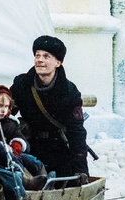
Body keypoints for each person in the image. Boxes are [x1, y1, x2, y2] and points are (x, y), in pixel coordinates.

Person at [11, 35, 91, 179]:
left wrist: (81, 170)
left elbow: (76, 132)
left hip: (58, 152)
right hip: (29, 147)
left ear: (58, 62)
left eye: (46, 56)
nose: (40, 60)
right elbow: (6, 111)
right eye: (37, 55)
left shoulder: (69, 91)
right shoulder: (22, 84)